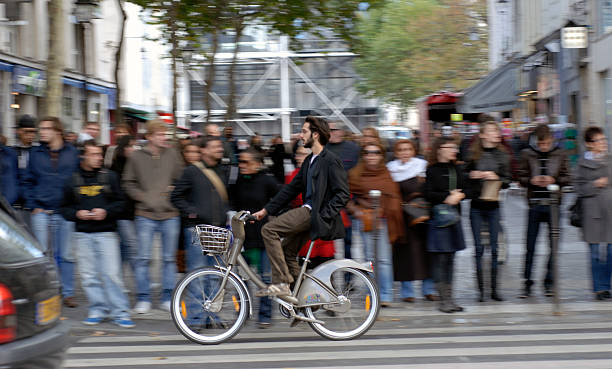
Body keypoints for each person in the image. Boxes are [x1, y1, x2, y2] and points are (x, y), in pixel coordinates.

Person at [252, 116, 349, 296]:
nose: (300, 135)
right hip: (309, 213)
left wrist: (322, 215)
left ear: (316, 135)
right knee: (287, 252)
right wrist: (266, 210)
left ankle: (281, 281)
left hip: (312, 212)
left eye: (304, 131)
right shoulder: (309, 161)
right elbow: (290, 189)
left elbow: (343, 194)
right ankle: (306, 298)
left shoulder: (330, 160)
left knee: (268, 230)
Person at [59, 141, 134, 328]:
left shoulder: (110, 177)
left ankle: (120, 311)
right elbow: (63, 208)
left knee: (111, 274)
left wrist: (106, 212)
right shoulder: (72, 180)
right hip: (82, 234)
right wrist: (77, 214)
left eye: (100, 154)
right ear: (83, 156)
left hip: (106, 233)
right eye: (93, 154)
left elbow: (121, 203)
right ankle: (97, 308)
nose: (99, 158)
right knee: (88, 275)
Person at [123, 120, 185, 313]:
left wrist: (173, 193)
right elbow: (128, 182)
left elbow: (182, 179)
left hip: (170, 214)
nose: (163, 137)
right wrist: (143, 198)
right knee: (143, 258)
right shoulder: (136, 157)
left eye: (164, 134)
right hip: (145, 214)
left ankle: (167, 297)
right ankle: (143, 298)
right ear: (149, 136)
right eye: (159, 134)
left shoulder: (173, 154)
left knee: (168, 259)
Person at [24, 117, 80, 307]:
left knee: (67, 255)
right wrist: (33, 204)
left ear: (58, 131)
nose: (42, 132)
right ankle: (49, 292)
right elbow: (27, 180)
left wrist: (75, 206)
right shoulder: (35, 153)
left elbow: (78, 180)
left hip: (65, 211)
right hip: (41, 210)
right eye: (41, 129)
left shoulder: (72, 152)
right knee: (44, 254)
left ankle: (68, 293)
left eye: (46, 128)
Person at [518, 124, 570, 298]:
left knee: (553, 246)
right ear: (536, 142)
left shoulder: (560, 153)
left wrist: (553, 179)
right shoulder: (527, 153)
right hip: (534, 203)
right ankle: (527, 282)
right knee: (530, 245)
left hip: (554, 204)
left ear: (552, 140)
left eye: (547, 143)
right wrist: (531, 180)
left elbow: (568, 177)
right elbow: (520, 176)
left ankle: (549, 281)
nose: (544, 147)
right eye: (541, 144)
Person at [348, 142, 404, 306]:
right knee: (370, 259)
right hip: (366, 220)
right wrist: (356, 210)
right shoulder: (355, 174)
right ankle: (372, 293)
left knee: (385, 260)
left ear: (381, 155)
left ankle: (385, 295)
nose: (371, 155)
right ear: (363, 156)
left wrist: (385, 209)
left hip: (384, 220)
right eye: (367, 152)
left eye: (375, 152)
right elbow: (345, 195)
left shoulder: (387, 173)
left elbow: (394, 195)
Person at [229, 148, 280, 327]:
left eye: (246, 162)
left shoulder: (267, 181)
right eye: (240, 162)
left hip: (263, 238)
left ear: (258, 164)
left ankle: (265, 316)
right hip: (242, 239)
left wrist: (273, 216)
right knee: (241, 278)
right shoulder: (237, 181)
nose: (242, 165)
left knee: (264, 279)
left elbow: (281, 199)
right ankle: (243, 312)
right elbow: (232, 202)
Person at [464, 122, 511, 302]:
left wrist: (496, 177)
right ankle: (480, 292)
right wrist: (472, 175)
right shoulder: (473, 154)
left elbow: (508, 180)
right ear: (482, 135)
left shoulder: (503, 155)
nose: (496, 134)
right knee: (478, 248)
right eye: (492, 131)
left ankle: (494, 290)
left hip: (494, 205)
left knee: (495, 248)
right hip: (476, 205)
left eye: (497, 131)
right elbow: (464, 176)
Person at [386, 139, 436, 302]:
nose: (405, 152)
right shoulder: (391, 170)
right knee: (404, 254)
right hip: (401, 217)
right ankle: (407, 293)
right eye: (401, 149)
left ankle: (429, 289)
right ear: (396, 152)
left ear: (413, 151)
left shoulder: (422, 166)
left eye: (408, 149)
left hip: (421, 216)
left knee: (426, 253)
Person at [171, 136, 228, 272]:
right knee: (197, 270)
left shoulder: (223, 170)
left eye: (220, 146)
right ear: (204, 150)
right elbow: (175, 197)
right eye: (215, 147)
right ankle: (197, 295)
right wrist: (193, 212)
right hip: (196, 229)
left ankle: (215, 295)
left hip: (217, 229)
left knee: (217, 271)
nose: (220, 149)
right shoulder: (191, 171)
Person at [425, 137, 467, 313]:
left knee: (450, 259)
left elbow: (470, 188)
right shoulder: (432, 170)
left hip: (454, 219)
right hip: (438, 220)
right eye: (449, 147)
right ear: (439, 149)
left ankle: (450, 298)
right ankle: (443, 299)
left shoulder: (456, 169)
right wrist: (447, 197)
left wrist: (461, 195)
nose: (453, 150)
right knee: (440, 260)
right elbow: (427, 193)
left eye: (454, 147)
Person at [575, 126, 612, 300]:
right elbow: (578, 188)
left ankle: (606, 285)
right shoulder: (582, 164)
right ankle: (599, 289)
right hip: (592, 213)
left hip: (610, 211)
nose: (604, 143)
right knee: (595, 253)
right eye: (599, 140)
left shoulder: (610, 159)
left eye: (604, 139)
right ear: (590, 144)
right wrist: (595, 184)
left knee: (611, 251)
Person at [108, 135, 138, 275]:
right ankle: (139, 278)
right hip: (122, 213)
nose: (133, 149)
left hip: (133, 211)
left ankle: (117, 277)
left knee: (125, 247)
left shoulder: (135, 164)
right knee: (132, 245)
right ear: (124, 148)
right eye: (130, 146)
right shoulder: (117, 167)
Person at [13, 115, 37, 226]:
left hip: (33, 202)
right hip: (15, 202)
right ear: (18, 132)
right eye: (26, 132)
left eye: (33, 132)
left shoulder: (39, 152)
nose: (30, 135)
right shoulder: (11, 151)